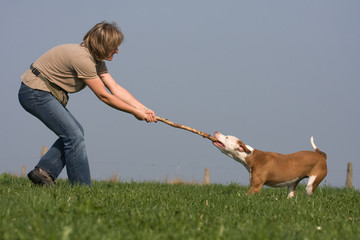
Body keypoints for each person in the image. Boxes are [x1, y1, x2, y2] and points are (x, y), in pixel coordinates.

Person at [18, 21, 157, 186]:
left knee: (75, 133)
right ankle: (82, 189)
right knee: (74, 135)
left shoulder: (96, 60)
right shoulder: (82, 59)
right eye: (114, 46)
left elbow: (115, 88)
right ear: (102, 45)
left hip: (41, 92)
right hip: (34, 92)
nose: (117, 50)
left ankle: (43, 172)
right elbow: (103, 95)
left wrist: (143, 108)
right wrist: (134, 112)